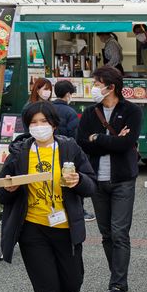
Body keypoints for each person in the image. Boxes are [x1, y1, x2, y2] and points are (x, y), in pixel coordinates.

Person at [0, 101, 96, 292]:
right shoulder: (19, 151)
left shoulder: (69, 148)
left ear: (53, 124)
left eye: (44, 122)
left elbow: (91, 184)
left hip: (65, 227)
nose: (39, 127)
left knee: (73, 280)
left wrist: (78, 181)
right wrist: (9, 189)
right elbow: (3, 194)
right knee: (46, 285)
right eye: (33, 123)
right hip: (32, 228)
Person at [77, 66, 142, 292]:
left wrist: (99, 138)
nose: (94, 86)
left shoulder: (132, 111)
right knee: (106, 234)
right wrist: (109, 141)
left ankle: (116, 285)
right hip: (97, 180)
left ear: (110, 86)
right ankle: (118, 279)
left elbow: (126, 144)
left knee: (119, 232)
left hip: (123, 179)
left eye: (97, 82)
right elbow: (82, 143)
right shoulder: (90, 112)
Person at [52, 80, 94, 222]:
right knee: (72, 181)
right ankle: (79, 211)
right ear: (68, 94)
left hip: (49, 149)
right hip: (67, 153)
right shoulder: (70, 112)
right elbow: (74, 135)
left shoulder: (48, 108)